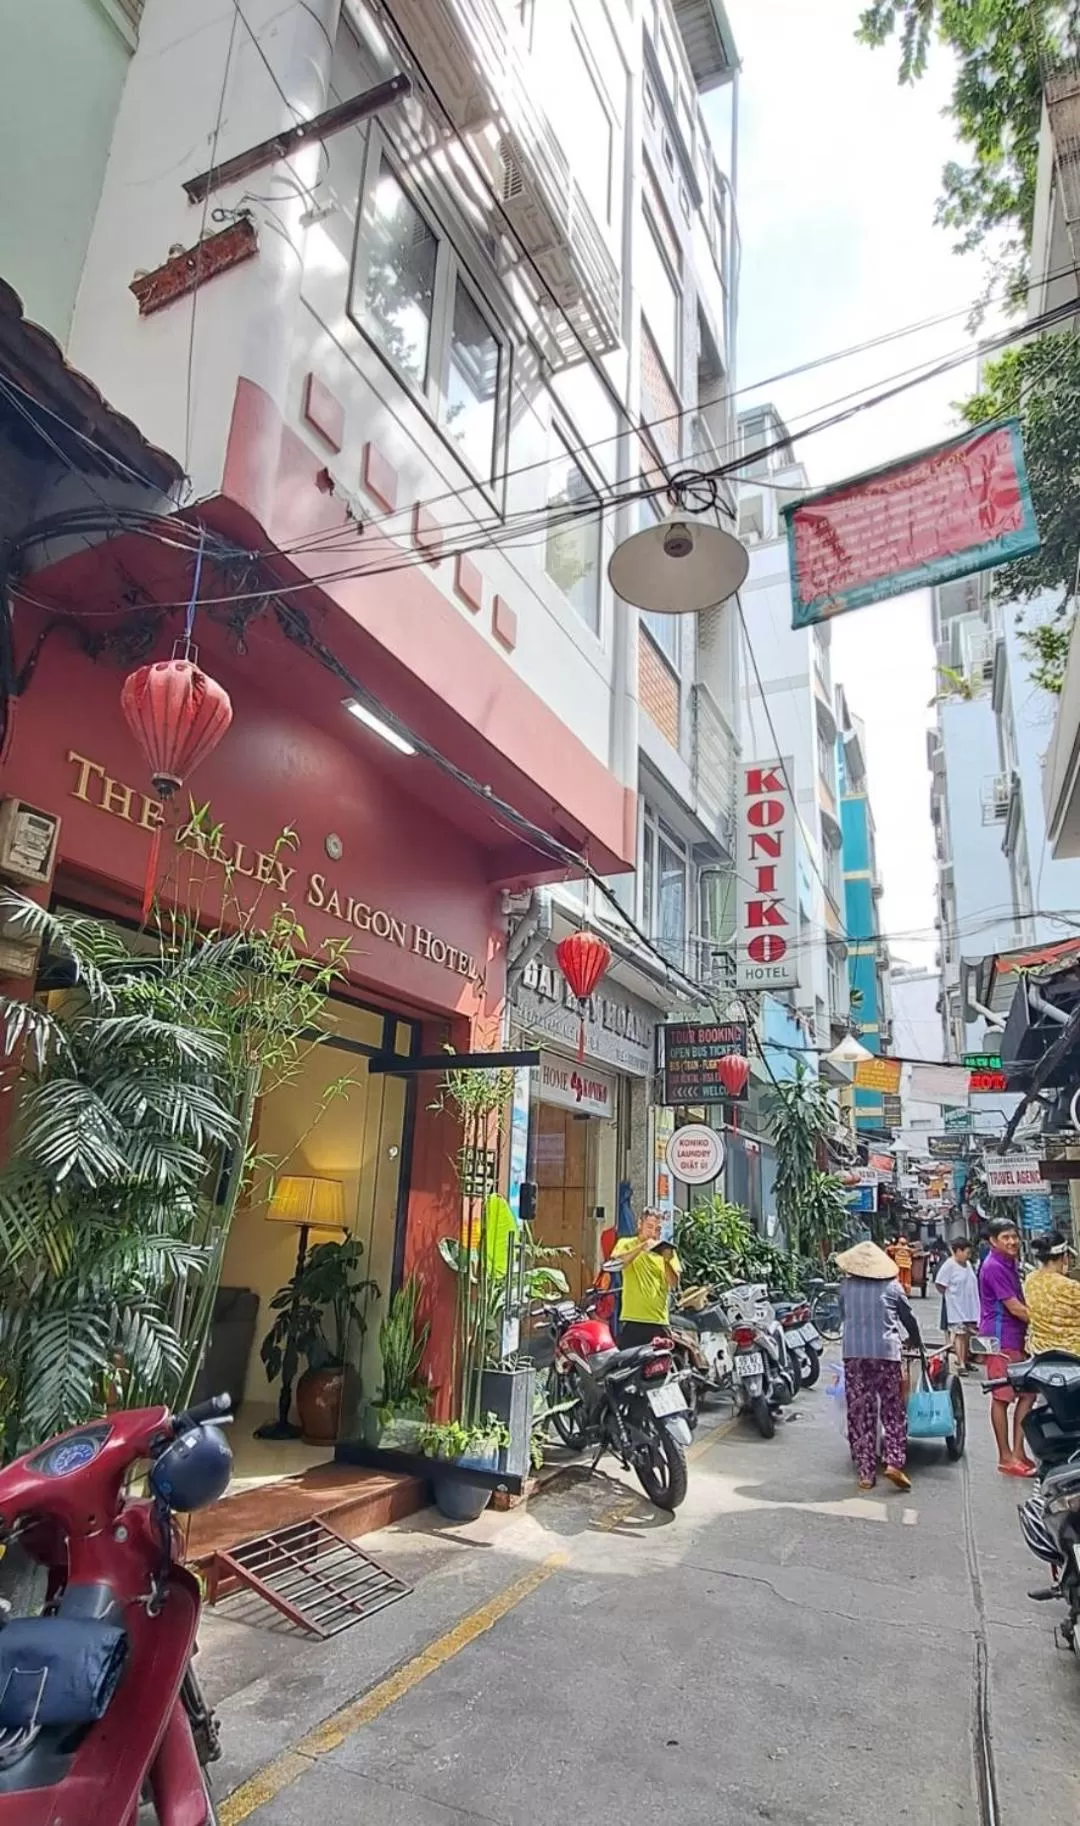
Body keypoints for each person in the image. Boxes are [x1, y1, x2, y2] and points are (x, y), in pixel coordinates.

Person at [837, 1240, 922, 1493]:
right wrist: (915, 1339)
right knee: (893, 1409)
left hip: (854, 1354)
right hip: (886, 1354)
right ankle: (894, 1461)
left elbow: (844, 1316)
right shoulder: (892, 1287)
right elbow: (908, 1317)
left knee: (860, 1412)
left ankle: (865, 1472)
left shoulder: (845, 1288)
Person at [978, 1217, 1035, 1477]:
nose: (1012, 1241)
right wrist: (1051, 1319)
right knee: (1002, 1397)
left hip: (1015, 1337)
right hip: (1001, 1339)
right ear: (993, 1241)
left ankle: (1018, 1452)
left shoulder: (1009, 1262)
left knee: (1028, 1394)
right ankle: (1005, 1456)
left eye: (1014, 1236)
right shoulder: (993, 1267)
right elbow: (1014, 1307)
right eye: (1006, 1237)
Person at [605, 1209, 680, 1348]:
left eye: (658, 1229)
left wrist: (666, 1261)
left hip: (658, 1320)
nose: (653, 1233)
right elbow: (617, 1263)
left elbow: (674, 1283)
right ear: (640, 1224)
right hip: (632, 1318)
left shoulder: (666, 1250)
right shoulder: (626, 1243)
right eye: (649, 1227)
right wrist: (641, 1247)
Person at [1024, 1231, 1080, 1356]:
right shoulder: (1071, 1287)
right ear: (1065, 1257)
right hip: (1073, 1354)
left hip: (1039, 1353)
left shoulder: (1030, 1280)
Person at [935, 1237, 980, 1370]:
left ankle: (965, 1360)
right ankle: (960, 1363)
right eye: (966, 1252)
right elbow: (940, 1284)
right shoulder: (949, 1265)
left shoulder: (968, 1265)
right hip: (956, 1306)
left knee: (967, 1335)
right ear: (958, 1251)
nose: (968, 1255)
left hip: (969, 1307)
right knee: (959, 1334)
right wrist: (950, 1296)